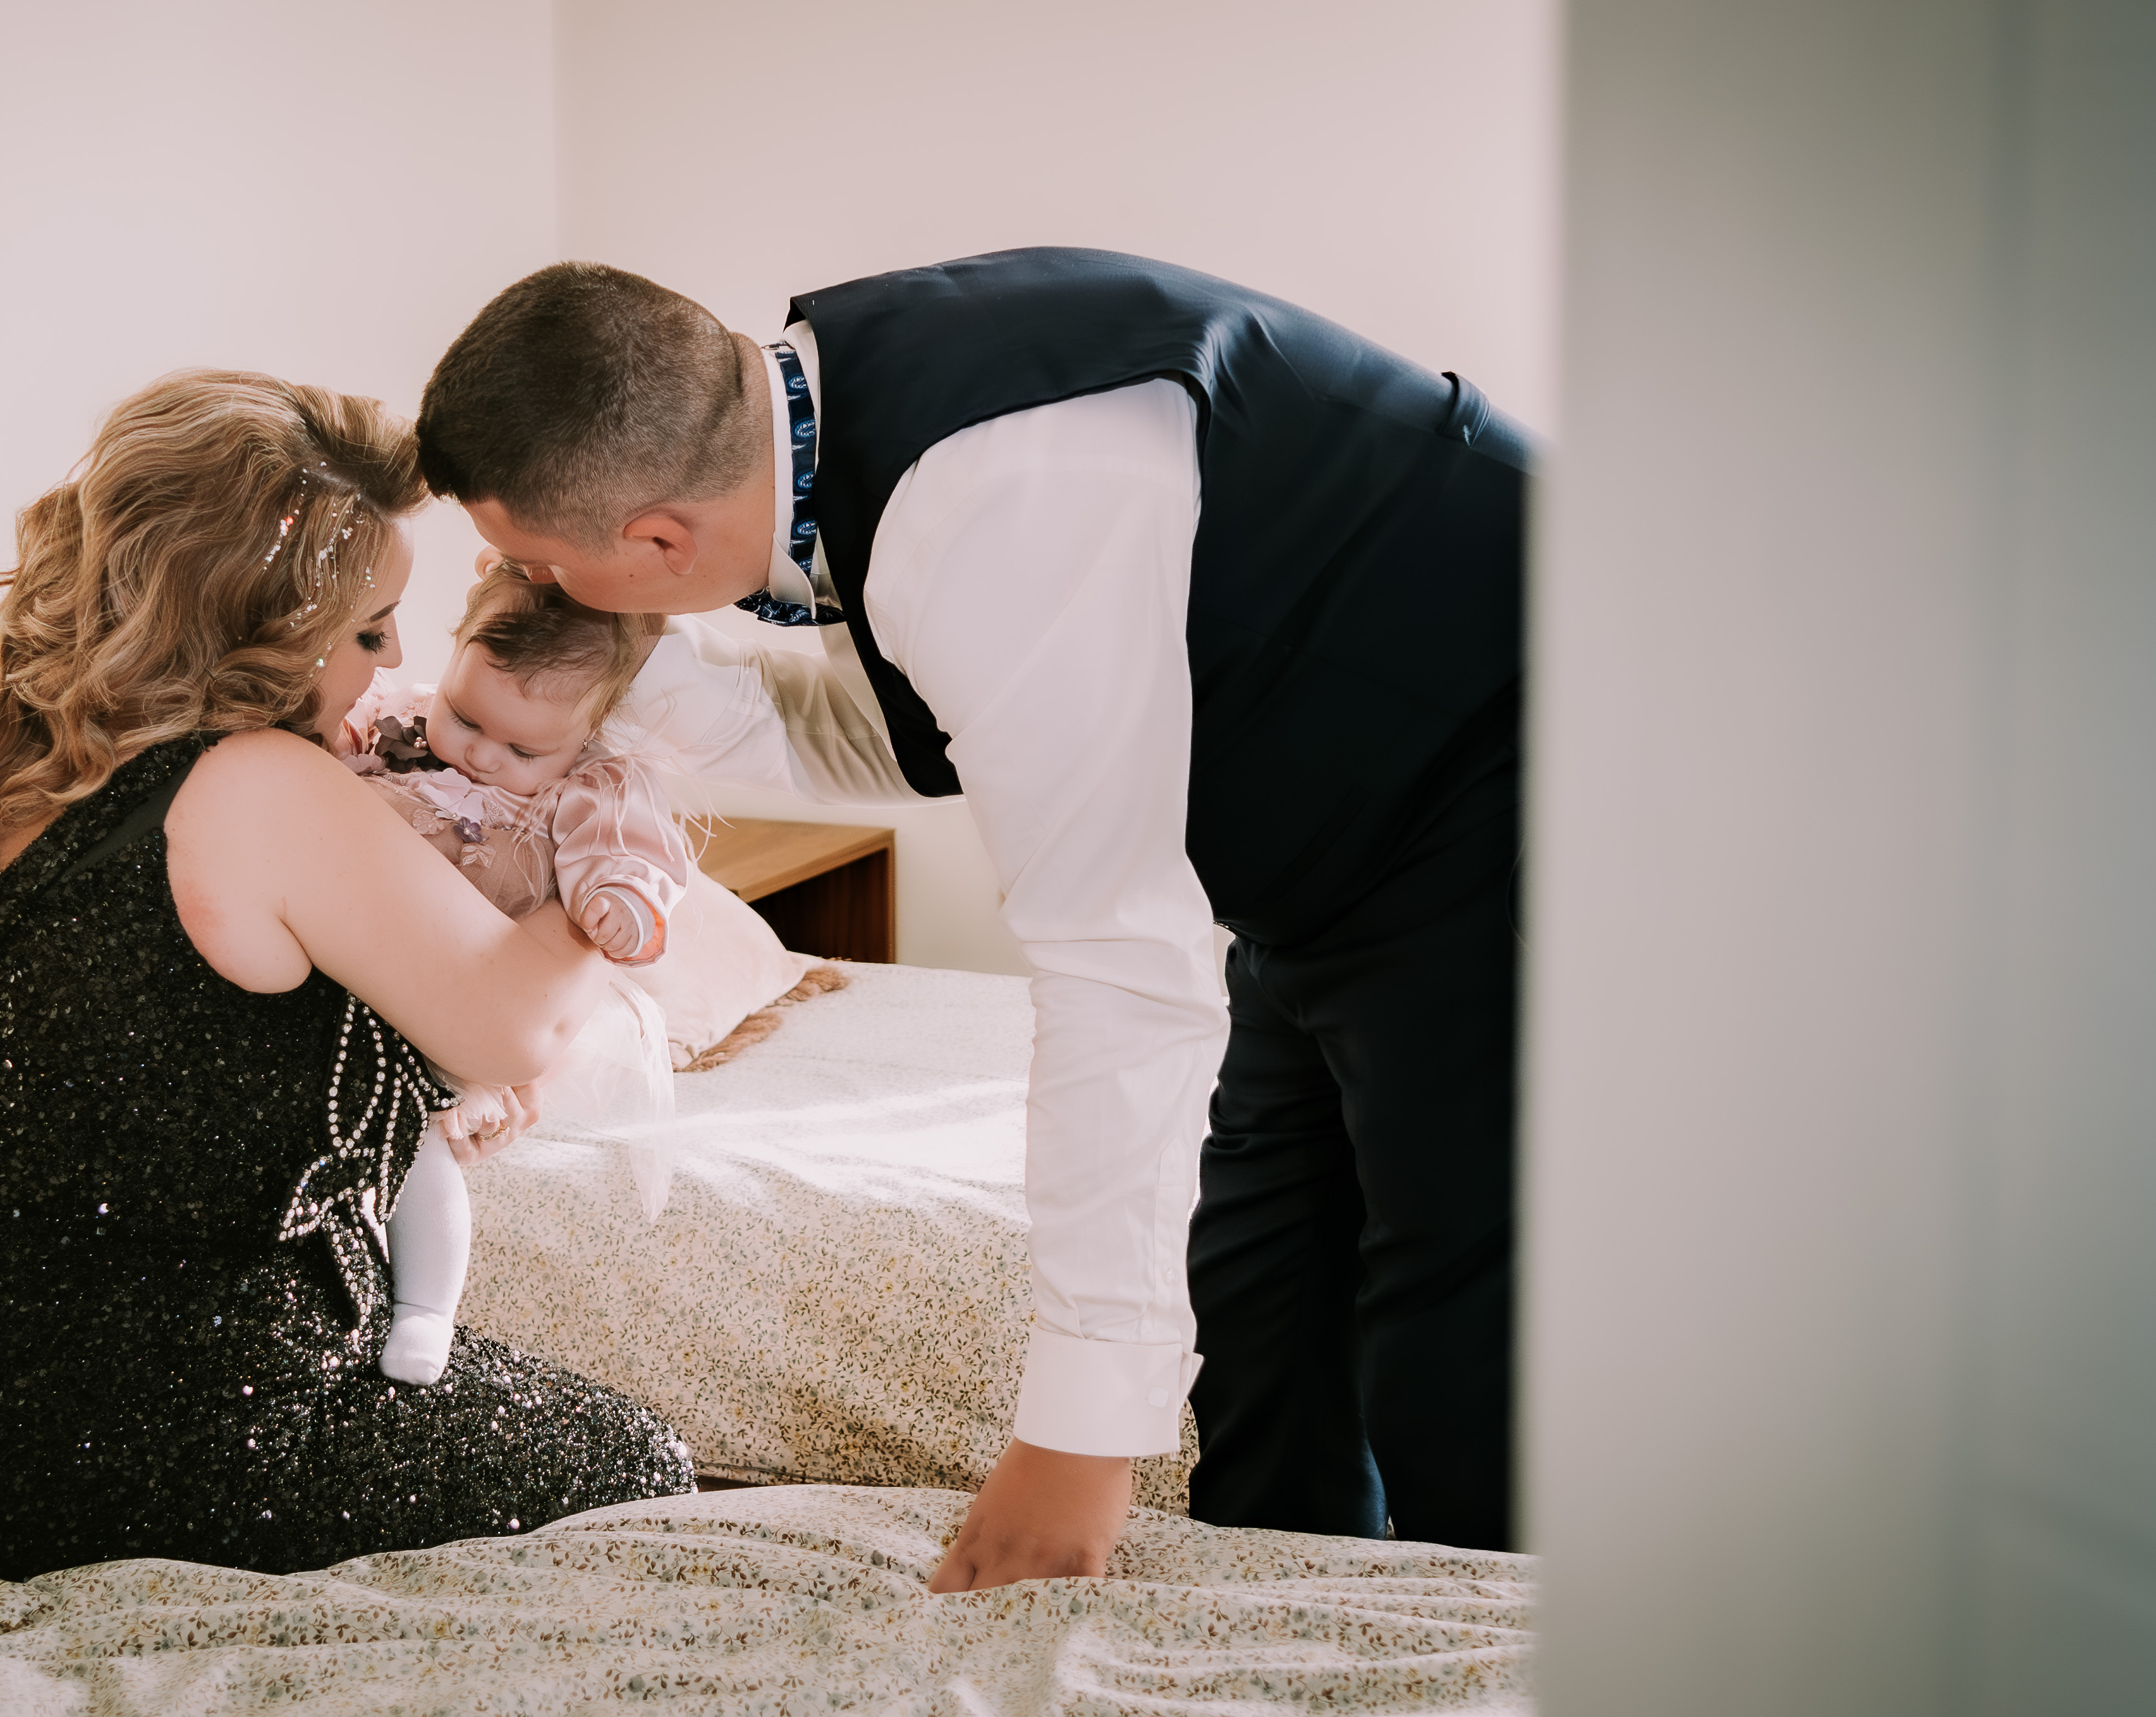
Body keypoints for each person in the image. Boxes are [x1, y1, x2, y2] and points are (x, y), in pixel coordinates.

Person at [413, 249, 1529, 1587]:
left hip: (1527, 770)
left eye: (538, 563)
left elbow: (1119, 970)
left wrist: (1074, 1440)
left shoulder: (995, 504)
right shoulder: (835, 424)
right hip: (1326, 855)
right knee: (1261, 1294)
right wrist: (610, 683)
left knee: (1458, 1330)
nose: (529, 589)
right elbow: (903, 733)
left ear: (656, 541)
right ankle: (1278, 1630)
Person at [0, 368, 696, 1582]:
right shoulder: (257, 784)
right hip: (137, 1426)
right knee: (638, 1459)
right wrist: (611, 836)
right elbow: (521, 1028)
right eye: (370, 629)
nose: (393, 663)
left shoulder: (25, 756)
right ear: (268, 627)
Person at [337, 561, 691, 1385]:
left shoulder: (589, 788)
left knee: (420, 1143)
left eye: (524, 748)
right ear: (455, 649)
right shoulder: (399, 724)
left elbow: (628, 854)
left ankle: (425, 1310)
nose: (481, 754)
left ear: (590, 730)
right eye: (465, 717)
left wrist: (618, 902)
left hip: (452, 995)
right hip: (357, 968)